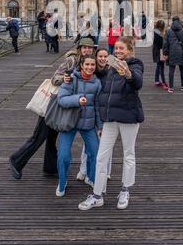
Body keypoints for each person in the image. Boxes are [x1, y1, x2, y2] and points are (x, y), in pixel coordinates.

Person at [8, 37, 95, 180]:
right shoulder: (72, 60)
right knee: (39, 136)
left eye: (89, 48)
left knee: (52, 136)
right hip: (53, 103)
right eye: (84, 47)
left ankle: (50, 167)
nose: (87, 50)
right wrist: (66, 79)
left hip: (63, 104)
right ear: (79, 49)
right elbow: (55, 78)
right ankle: (16, 160)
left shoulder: (87, 62)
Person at [78, 36, 144, 211]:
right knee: (101, 157)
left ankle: (125, 190)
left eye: (122, 48)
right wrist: (70, 74)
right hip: (110, 118)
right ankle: (97, 194)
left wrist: (128, 73)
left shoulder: (135, 64)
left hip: (129, 116)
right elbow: (89, 69)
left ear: (129, 50)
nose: (118, 51)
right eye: (116, 48)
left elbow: (137, 82)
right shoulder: (109, 67)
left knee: (128, 154)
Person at [56, 54, 102, 197]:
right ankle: (62, 182)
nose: (89, 67)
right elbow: (61, 99)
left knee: (94, 152)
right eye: (87, 64)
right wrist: (77, 100)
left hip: (88, 123)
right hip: (69, 122)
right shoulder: (70, 79)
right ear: (81, 65)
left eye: (92, 65)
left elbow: (98, 106)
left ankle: (91, 177)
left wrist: (100, 126)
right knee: (63, 155)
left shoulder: (97, 83)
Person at [76, 48, 113, 186]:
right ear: (96, 58)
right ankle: (83, 170)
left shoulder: (112, 71)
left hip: (107, 110)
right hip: (92, 110)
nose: (102, 59)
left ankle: (106, 170)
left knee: (107, 142)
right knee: (89, 142)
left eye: (105, 56)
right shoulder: (92, 71)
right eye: (100, 56)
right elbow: (77, 76)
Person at [163, 16, 183, 94]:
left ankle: (171, 88)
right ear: (179, 21)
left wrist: (165, 53)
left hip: (171, 52)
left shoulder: (168, 31)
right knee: (182, 69)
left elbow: (165, 44)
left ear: (172, 21)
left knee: (171, 70)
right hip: (182, 52)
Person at [152, 20, 168, 90]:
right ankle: (164, 82)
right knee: (161, 67)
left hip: (156, 51)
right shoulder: (158, 34)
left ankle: (157, 81)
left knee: (158, 66)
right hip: (159, 52)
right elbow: (161, 44)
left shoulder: (155, 32)